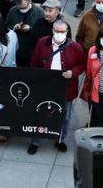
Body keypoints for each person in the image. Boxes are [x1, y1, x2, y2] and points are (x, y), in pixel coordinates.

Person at [28, 15, 84, 154]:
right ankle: (36, 141)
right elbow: (34, 63)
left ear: (67, 32)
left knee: (65, 116)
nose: (59, 34)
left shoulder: (75, 47)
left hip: (66, 87)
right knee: (39, 114)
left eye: (62, 32)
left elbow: (82, 64)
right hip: (45, 85)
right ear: (52, 30)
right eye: (57, 31)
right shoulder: (42, 43)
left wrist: (73, 72)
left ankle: (60, 139)